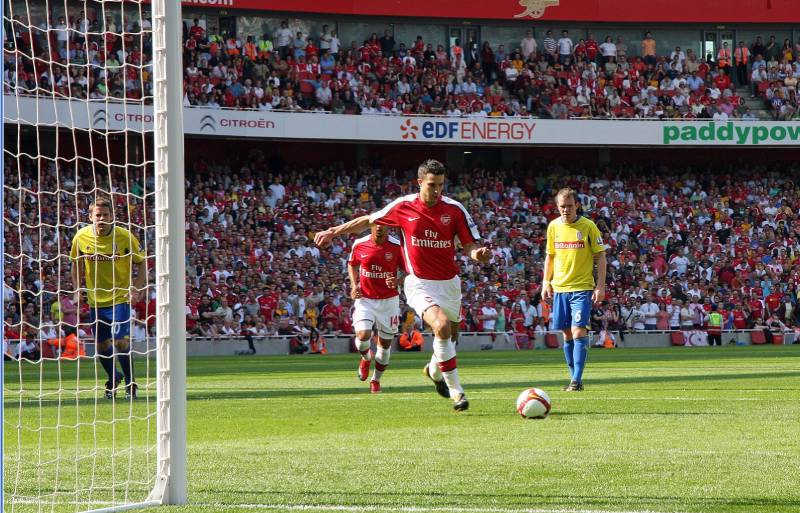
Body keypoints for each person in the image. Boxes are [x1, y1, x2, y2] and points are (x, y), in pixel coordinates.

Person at [315, 159, 491, 411]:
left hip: (449, 283)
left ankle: (434, 371)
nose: (437, 190)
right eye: (432, 185)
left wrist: (478, 255)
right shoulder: (404, 206)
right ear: (420, 183)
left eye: (441, 185)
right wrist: (333, 231)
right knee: (440, 326)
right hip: (418, 282)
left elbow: (469, 244)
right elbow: (368, 220)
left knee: (451, 337)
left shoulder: (454, 210)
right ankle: (457, 392)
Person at [71, 197, 146, 400]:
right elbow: (75, 265)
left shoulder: (124, 236)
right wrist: (78, 289)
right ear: (90, 217)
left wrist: (135, 288)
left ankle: (131, 384)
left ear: (112, 216)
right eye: (98, 215)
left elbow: (142, 264)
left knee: (121, 341)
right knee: (102, 346)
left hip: (120, 298)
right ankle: (114, 378)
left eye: (105, 215)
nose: (101, 219)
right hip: (96, 301)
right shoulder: (81, 237)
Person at [542, 188, 607, 392]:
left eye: (570, 206)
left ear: (577, 205)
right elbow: (550, 257)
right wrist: (546, 282)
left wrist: (600, 285)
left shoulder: (588, 226)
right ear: (557, 207)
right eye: (562, 206)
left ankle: (577, 380)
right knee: (566, 333)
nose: (566, 210)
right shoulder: (553, 227)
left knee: (579, 330)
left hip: (582, 288)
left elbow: (601, 257)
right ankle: (573, 377)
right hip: (560, 288)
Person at [347, 224, 405, 393]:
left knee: (385, 346)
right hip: (366, 299)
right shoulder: (359, 244)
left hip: (389, 301)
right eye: (376, 225)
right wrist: (353, 284)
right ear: (371, 226)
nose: (379, 228)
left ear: (389, 228)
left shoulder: (397, 246)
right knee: (364, 335)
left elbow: (410, 270)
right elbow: (352, 264)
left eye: (383, 225)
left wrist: (398, 281)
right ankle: (365, 358)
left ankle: (376, 380)